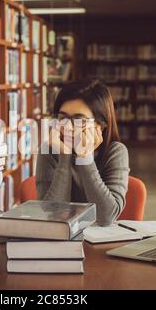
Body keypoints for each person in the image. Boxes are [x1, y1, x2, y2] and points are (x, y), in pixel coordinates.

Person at [36, 80, 130, 226]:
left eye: (79, 120)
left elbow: (105, 218)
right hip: (59, 241)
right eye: (63, 118)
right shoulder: (49, 150)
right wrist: (65, 157)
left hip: (101, 240)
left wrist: (85, 158)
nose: (68, 127)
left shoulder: (116, 152)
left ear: (101, 125)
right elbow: (53, 216)